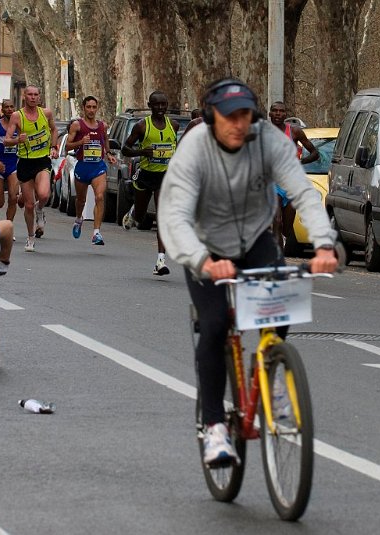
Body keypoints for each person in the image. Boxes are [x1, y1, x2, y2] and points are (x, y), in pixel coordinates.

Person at [158, 78, 338, 465]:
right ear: (211, 117)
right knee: (215, 323)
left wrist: (323, 244)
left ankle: (271, 372)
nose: (239, 124)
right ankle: (215, 428)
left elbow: (303, 191)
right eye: (229, 117)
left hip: (255, 239)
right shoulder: (194, 149)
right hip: (205, 247)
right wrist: (202, 261)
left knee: (282, 305)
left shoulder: (269, 141)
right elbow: (174, 216)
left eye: (245, 116)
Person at [121, 90, 179, 275]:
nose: (161, 108)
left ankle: (160, 261)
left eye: (164, 104)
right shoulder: (141, 126)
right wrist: (142, 152)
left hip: (164, 177)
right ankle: (132, 213)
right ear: (150, 106)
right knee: (140, 216)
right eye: (156, 105)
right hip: (146, 175)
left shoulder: (174, 125)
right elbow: (125, 149)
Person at [3, 85, 59, 252]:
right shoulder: (16, 116)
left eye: (36, 95)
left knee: (43, 194)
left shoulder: (46, 113)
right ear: (24, 96)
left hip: (42, 161)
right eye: (30, 95)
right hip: (25, 162)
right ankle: (30, 237)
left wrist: (54, 147)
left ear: (39, 97)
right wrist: (17, 140)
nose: (33, 97)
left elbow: (54, 129)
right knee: (27, 205)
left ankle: (40, 210)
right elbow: (6, 140)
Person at [65, 95, 118, 245]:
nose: (91, 110)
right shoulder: (77, 125)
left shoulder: (103, 126)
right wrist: (81, 142)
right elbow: (67, 146)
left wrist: (108, 154)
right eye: (88, 107)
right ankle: (78, 219)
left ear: (97, 108)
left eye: (94, 107)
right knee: (80, 200)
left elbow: (105, 141)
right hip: (83, 166)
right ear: (84, 108)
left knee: (100, 197)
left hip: (98, 167)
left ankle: (96, 233)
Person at [268, 101, 319, 251]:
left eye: (281, 111)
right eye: (275, 111)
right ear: (270, 113)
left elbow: (315, 154)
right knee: (277, 221)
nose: (278, 114)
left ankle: (281, 240)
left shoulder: (295, 132)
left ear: (285, 114)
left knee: (286, 228)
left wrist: (300, 161)